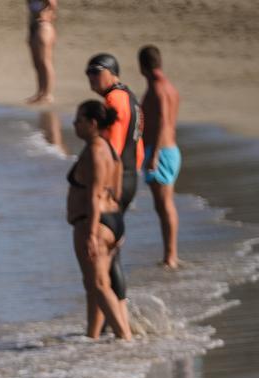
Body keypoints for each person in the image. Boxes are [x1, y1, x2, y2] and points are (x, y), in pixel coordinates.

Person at [67, 101, 132, 340]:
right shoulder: (109, 149)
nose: (74, 125)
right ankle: (92, 336)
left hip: (93, 222)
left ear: (92, 123)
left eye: (78, 120)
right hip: (112, 219)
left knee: (99, 285)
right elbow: (115, 191)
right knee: (93, 285)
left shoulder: (95, 150)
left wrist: (92, 234)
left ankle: (125, 338)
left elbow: (95, 194)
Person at [86, 53, 143, 316]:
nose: (91, 79)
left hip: (119, 179)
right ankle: (116, 315)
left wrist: (107, 185)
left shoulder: (114, 100)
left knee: (107, 251)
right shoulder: (129, 96)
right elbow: (137, 145)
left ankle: (117, 316)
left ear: (112, 72)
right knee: (111, 249)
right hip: (130, 175)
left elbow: (116, 147)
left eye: (96, 72)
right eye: (88, 73)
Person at [139, 45, 183, 269]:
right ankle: (170, 253)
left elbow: (163, 121)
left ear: (142, 67)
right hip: (169, 150)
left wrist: (153, 154)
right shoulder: (170, 88)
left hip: (162, 152)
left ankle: (171, 256)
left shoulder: (158, 89)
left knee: (165, 205)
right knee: (163, 205)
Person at [25, 0, 57, 104]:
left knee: (45, 61)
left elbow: (52, 4)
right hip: (34, 26)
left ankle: (48, 94)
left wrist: (49, 15)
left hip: (44, 25)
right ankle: (40, 92)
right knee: (37, 63)